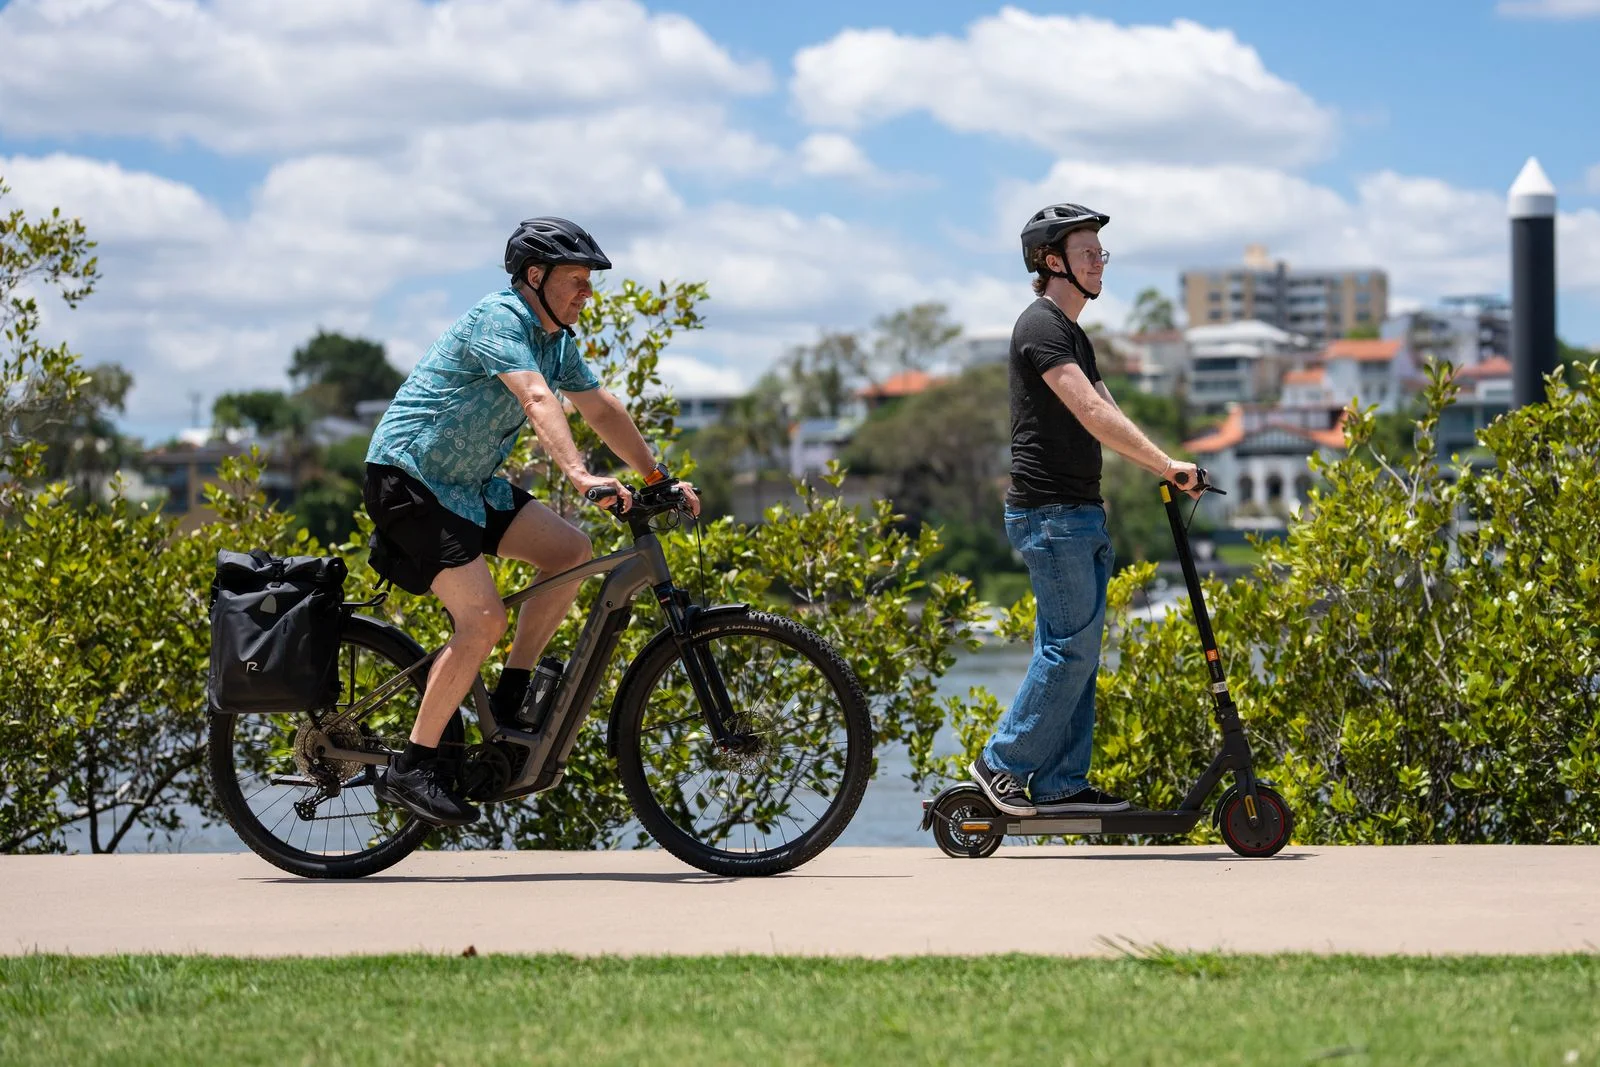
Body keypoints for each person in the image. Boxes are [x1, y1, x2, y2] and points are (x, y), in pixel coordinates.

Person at [362, 216, 700, 827]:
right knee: (483, 620)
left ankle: (512, 696)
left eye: (589, 282)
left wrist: (656, 478)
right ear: (535, 277)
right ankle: (411, 765)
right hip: (408, 479)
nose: (587, 293)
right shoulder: (500, 319)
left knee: (569, 551)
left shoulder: (556, 338)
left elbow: (598, 406)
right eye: (576, 280)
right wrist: (579, 474)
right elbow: (537, 400)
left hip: (468, 486)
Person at [970, 203, 1201, 817]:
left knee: (1077, 650)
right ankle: (1000, 764)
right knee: (1068, 651)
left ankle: (1060, 783)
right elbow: (1091, 415)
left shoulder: (1073, 334)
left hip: (1077, 513)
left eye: (1102, 252)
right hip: (1049, 516)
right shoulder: (1041, 328)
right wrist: (1163, 466)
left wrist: (1166, 461)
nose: (1101, 262)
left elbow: (1112, 411)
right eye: (1088, 252)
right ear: (1053, 263)